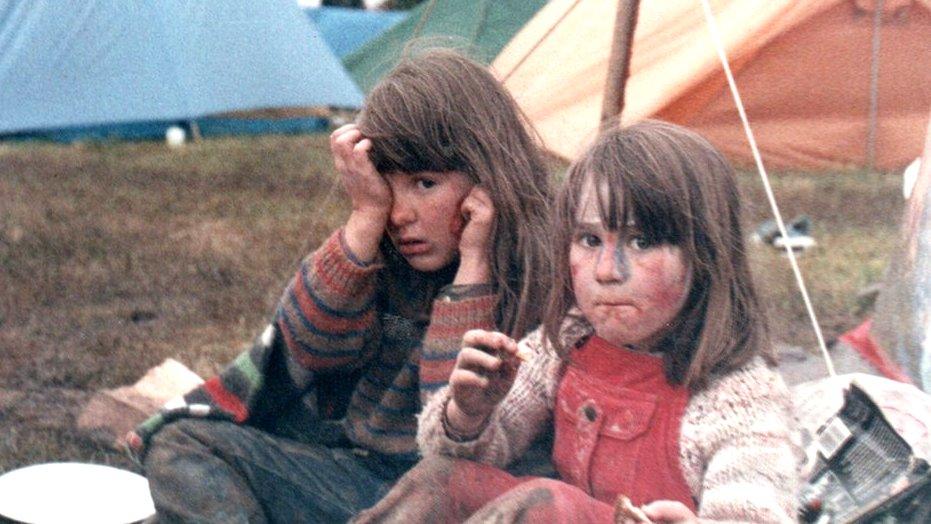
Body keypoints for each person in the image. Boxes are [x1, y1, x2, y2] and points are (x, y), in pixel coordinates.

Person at [126, 49, 553, 523]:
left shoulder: (535, 276)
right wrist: (364, 216)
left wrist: (474, 266)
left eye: (425, 183)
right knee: (180, 444)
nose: (400, 214)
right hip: (350, 475)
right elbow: (306, 348)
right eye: (386, 186)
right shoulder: (386, 254)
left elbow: (451, 438)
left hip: (443, 498)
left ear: (487, 179)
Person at [355, 121, 800, 523]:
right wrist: (469, 411)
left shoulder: (741, 397)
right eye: (589, 240)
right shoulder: (568, 341)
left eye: (641, 241)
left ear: (705, 257)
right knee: (442, 479)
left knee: (547, 505)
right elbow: (482, 448)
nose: (607, 270)